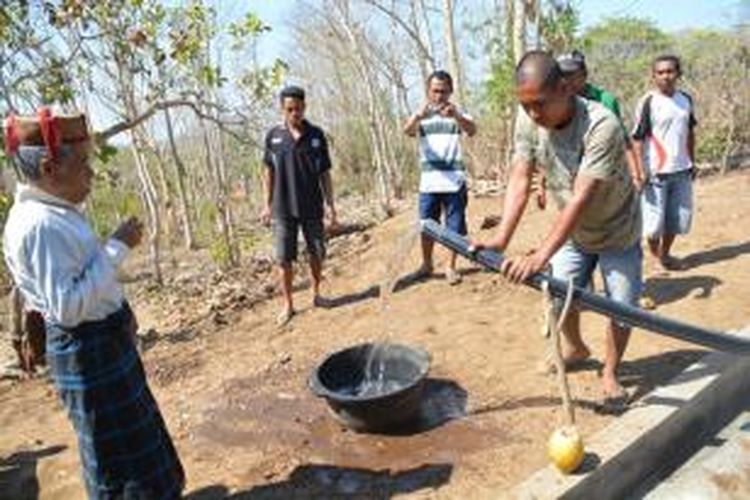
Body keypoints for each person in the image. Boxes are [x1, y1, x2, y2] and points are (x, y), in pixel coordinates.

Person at [2, 109, 185, 499]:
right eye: (83, 162)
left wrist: (121, 313)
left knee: (135, 444)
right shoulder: (39, 225)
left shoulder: (55, 213)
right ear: (51, 168)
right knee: (118, 461)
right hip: (88, 351)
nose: (92, 172)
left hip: (101, 343)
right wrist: (117, 247)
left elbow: (82, 282)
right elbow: (68, 307)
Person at [472, 51, 642, 403]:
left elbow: (581, 198)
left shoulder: (602, 125)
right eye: (526, 105)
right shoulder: (528, 117)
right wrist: (501, 237)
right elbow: (520, 176)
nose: (534, 114)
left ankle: (609, 370)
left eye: (541, 104)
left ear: (565, 88)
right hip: (576, 234)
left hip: (617, 230)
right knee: (557, 296)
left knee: (621, 309)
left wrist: (539, 255)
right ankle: (578, 348)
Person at [261, 85, 337, 325]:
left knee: (317, 252)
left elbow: (325, 173)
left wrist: (330, 204)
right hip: (282, 208)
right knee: (284, 258)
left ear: (305, 107)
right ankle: (288, 304)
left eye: (298, 108)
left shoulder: (316, 135)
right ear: (283, 109)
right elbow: (267, 172)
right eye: (289, 109)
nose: (295, 113)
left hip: (312, 205)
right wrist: (266, 204)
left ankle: (316, 294)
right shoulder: (274, 136)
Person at [403, 70, 477, 285]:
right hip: (429, 182)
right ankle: (426, 264)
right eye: (435, 91)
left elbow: (472, 130)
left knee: (454, 228)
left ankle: (450, 267)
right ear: (428, 91)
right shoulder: (421, 115)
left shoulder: (457, 113)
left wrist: (457, 116)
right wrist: (418, 116)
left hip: (454, 181)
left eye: (443, 91)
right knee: (426, 226)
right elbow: (407, 131)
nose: (439, 96)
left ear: (450, 91)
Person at [632, 55, 697, 271]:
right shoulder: (648, 102)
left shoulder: (685, 99)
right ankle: (655, 258)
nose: (665, 76)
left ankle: (665, 255)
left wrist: (692, 161)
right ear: (653, 76)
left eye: (670, 71)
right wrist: (640, 171)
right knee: (653, 226)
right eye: (660, 72)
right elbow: (638, 139)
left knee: (678, 220)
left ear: (678, 74)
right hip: (655, 173)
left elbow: (690, 132)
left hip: (682, 170)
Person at [557, 50, 646, 193]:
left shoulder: (605, 100)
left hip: (605, 173)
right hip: (572, 175)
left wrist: (635, 175)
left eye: (572, 75)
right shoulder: (557, 103)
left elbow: (623, 139)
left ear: (584, 75)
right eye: (562, 76)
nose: (567, 81)